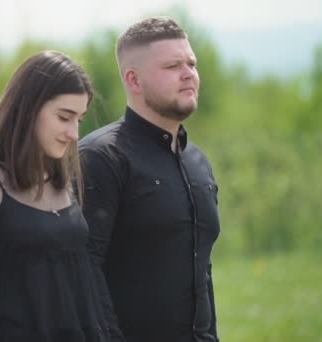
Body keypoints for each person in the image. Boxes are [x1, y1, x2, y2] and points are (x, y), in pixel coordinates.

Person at [0, 50, 115, 341]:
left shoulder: (65, 184)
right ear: (28, 110)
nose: (74, 133)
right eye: (65, 117)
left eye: (79, 119)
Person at [79, 16, 221, 342]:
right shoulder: (101, 158)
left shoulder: (198, 162)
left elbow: (202, 271)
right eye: (172, 66)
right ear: (134, 80)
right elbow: (84, 272)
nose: (188, 73)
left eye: (191, 63)